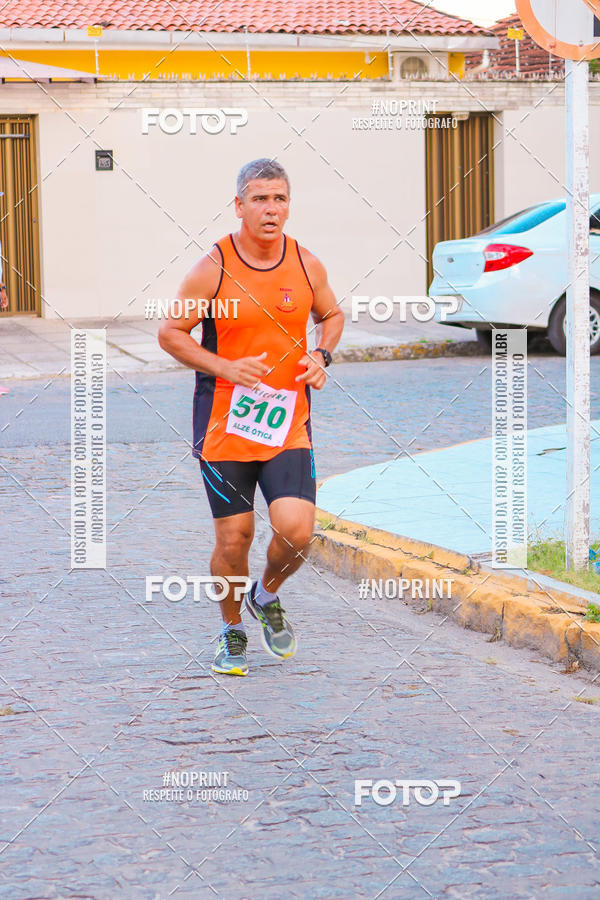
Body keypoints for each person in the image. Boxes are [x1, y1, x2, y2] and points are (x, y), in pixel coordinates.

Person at [158, 158, 344, 675]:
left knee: (297, 532)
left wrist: (321, 355)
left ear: (289, 205)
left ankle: (266, 594)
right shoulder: (212, 268)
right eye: (259, 198)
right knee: (233, 539)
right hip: (224, 427)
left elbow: (332, 315)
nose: (270, 209)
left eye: (279, 198)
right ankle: (232, 629)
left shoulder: (306, 264)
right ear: (239, 205)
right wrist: (225, 367)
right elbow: (170, 333)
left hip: (288, 422)